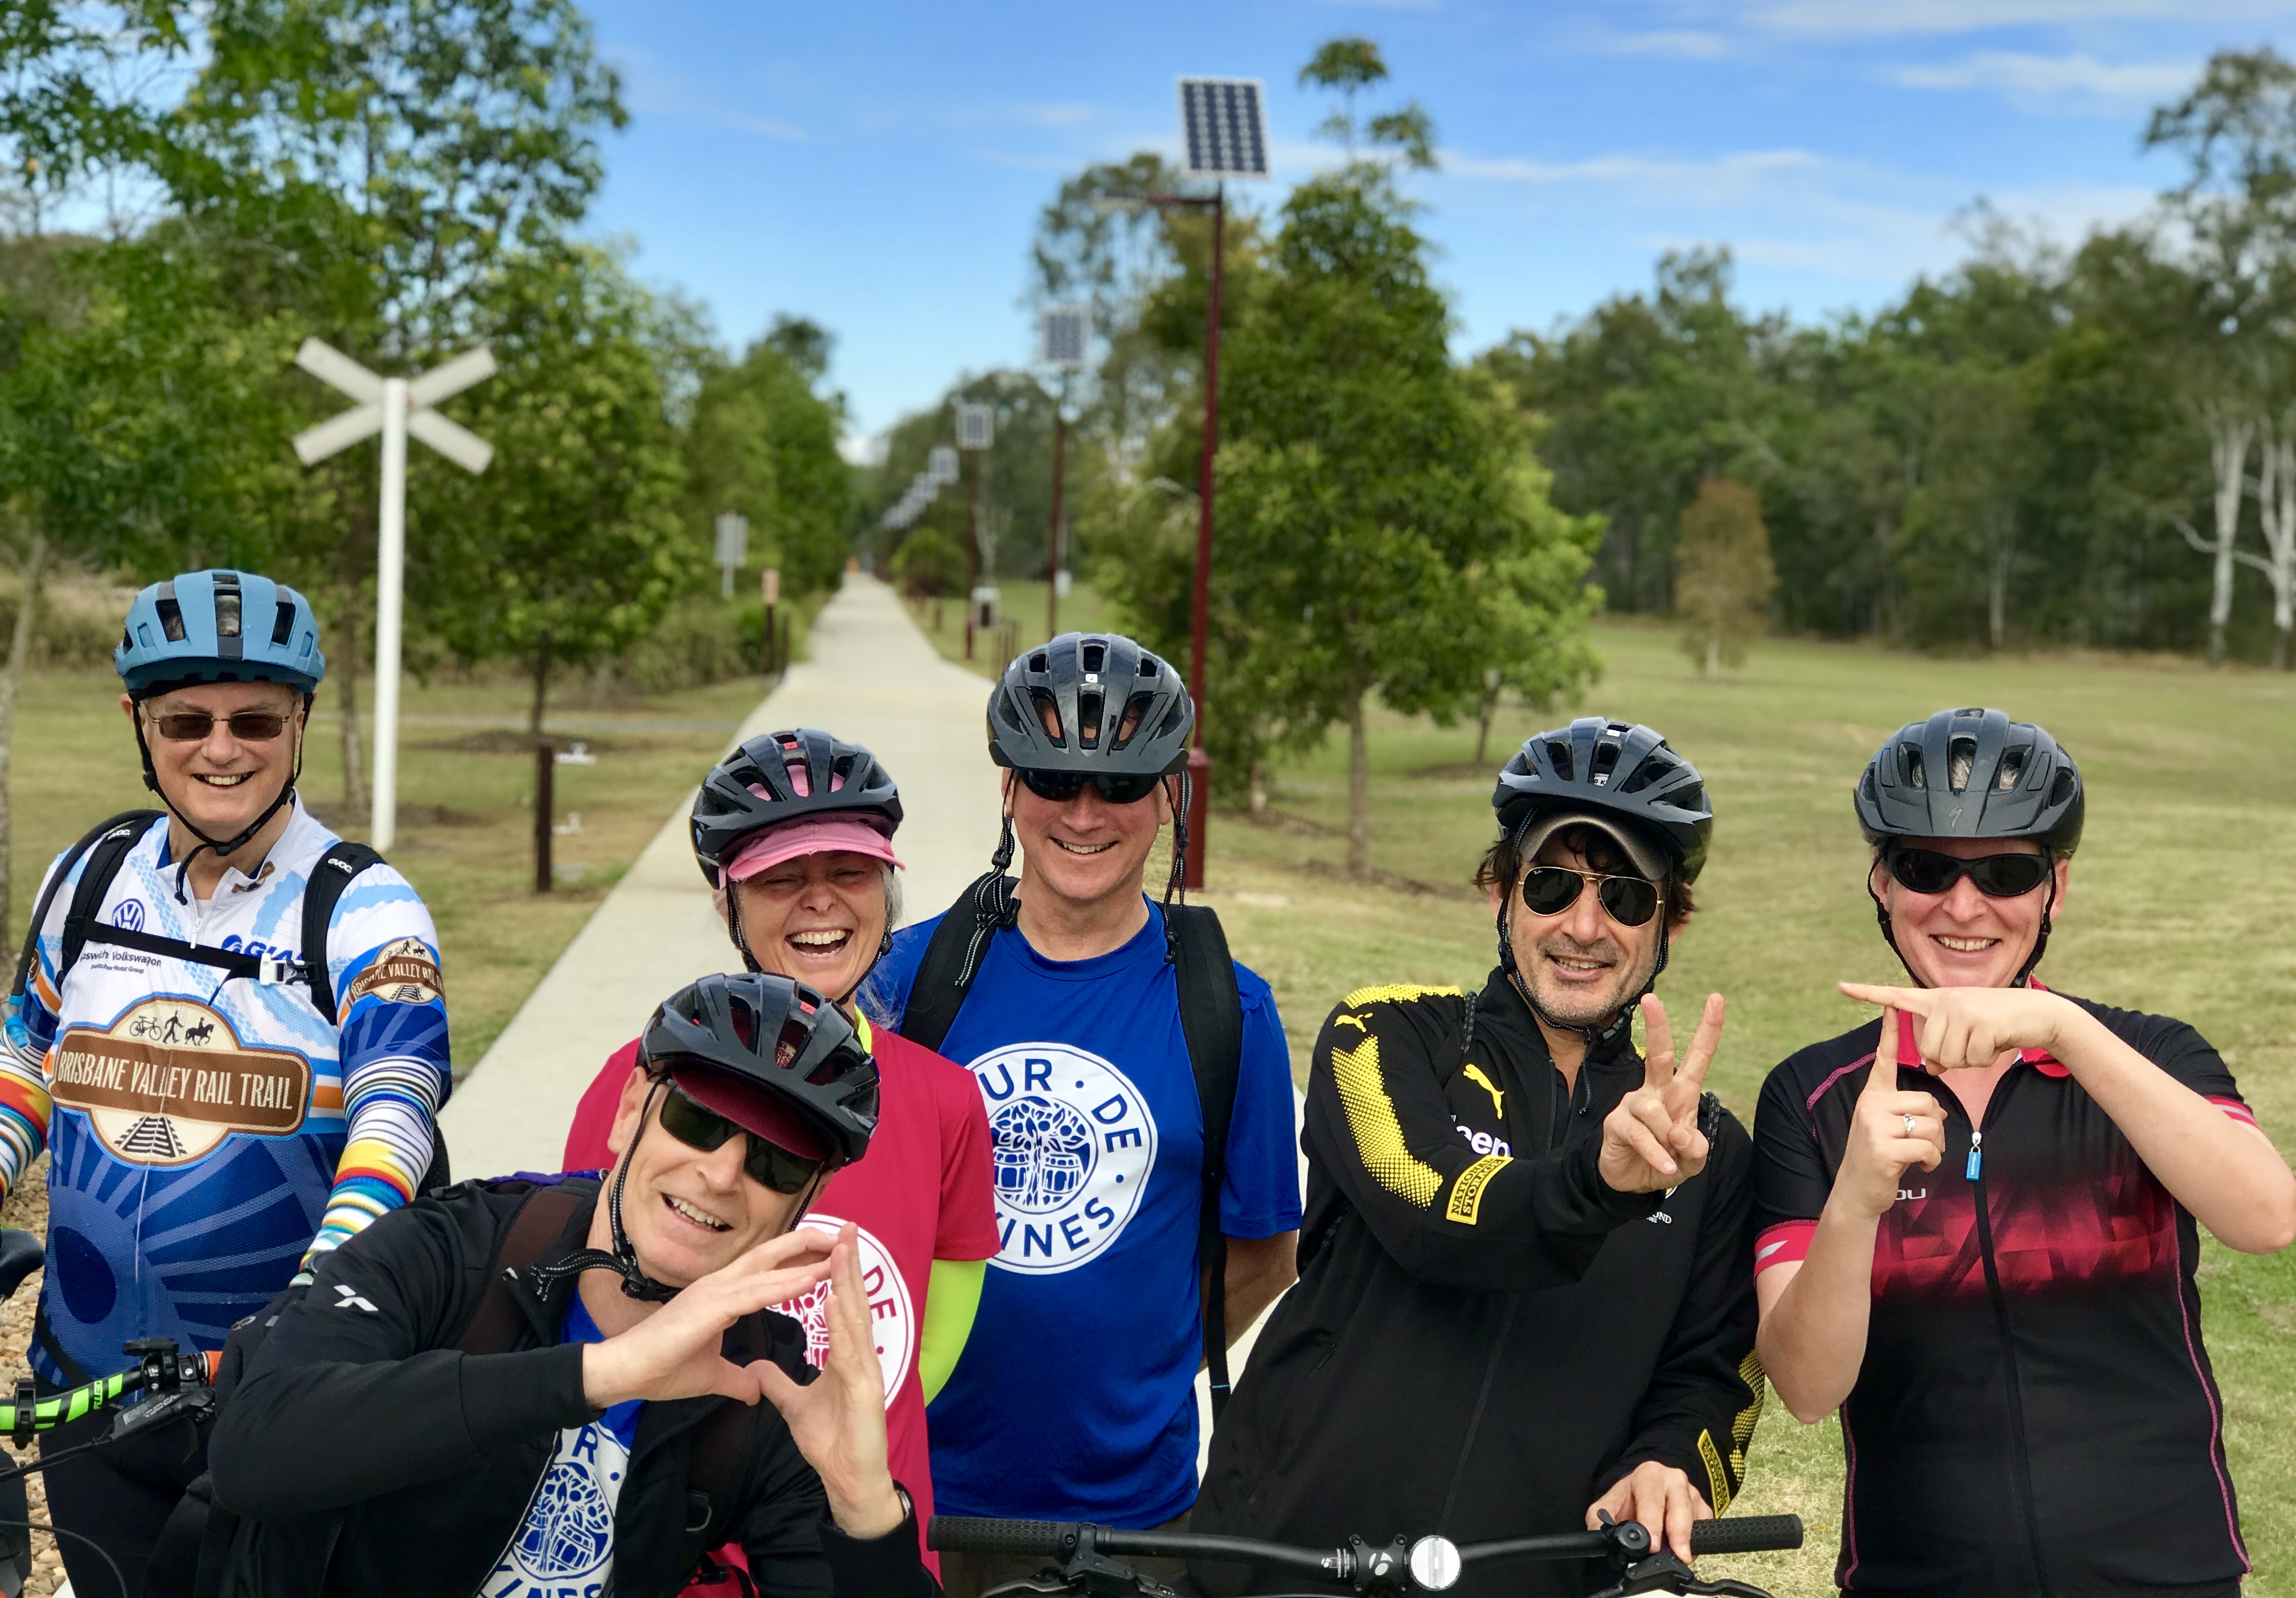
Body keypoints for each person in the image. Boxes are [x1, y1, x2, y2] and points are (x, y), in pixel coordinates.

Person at [1190, 718, 1761, 1598]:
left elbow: (1712, 1376)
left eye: (1626, 898)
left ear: (1669, 925)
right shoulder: (1382, 1034)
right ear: (1500, 891)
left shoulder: (1709, 1153)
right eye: (1553, 885)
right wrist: (1599, 1183)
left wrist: (1671, 1463)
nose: (1584, 924)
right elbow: (1433, 1211)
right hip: (1291, 1562)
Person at [1752, 707, 2296, 1595]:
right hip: (1919, 1578)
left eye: (2004, 872)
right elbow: (1808, 1389)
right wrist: (1854, 1200)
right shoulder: (1812, 1098)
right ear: (1882, 883)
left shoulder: (2150, 1056)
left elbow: (2269, 1219)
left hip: (2166, 1573)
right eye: (1926, 869)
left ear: (2056, 888)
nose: (1964, 908)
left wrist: (2061, 1029)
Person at [0, 569, 449, 1598]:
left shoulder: (363, 906)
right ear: (136, 722)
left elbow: (397, 1111)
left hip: (276, 1401)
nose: (221, 745)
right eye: (184, 717)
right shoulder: (90, 873)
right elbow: (27, 1053)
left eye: (255, 716)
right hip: (87, 1391)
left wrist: (317, 1295)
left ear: (301, 720)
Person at [205, 970, 933, 1598]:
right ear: (628, 1112)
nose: (720, 1175)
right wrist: (607, 1372)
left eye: (775, 1163)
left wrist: (865, 1506)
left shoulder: (762, 1386)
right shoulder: (453, 1251)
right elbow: (255, 1450)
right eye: (698, 1121)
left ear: (807, 1199)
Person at [870, 633, 1302, 1598]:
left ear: (1166, 798)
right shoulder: (910, 978)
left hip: (1131, 1514)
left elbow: (1267, 1251)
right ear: (1009, 790)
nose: (1083, 811)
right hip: (915, 1491)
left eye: (1119, 783)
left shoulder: (1230, 1009)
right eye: (1054, 777)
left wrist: (1133, 1369)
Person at [561, 728, 998, 1575]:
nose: (821, 902)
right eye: (781, 879)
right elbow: (591, 1313)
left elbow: (926, 1357)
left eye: (850, 873)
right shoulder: (646, 1081)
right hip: (682, 1543)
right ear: (727, 902)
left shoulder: (946, 1099)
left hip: (861, 1536)